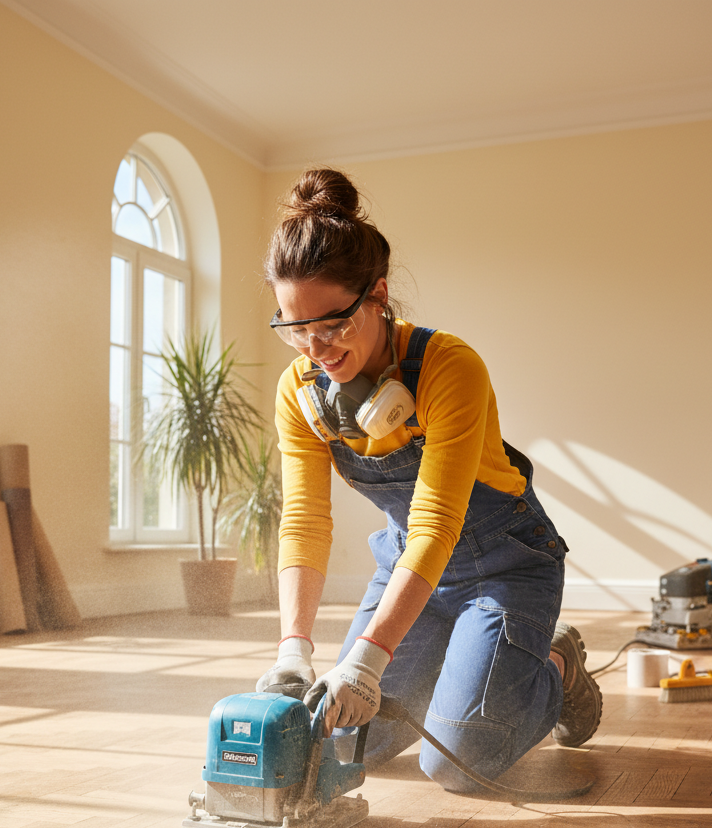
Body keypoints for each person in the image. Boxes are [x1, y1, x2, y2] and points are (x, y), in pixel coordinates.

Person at [256, 168, 601, 792]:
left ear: (378, 295)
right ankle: (463, 660)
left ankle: (558, 664)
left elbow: (438, 521)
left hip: (505, 567)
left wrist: (369, 656)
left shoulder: (449, 367)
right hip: (409, 573)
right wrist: (292, 651)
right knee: (342, 737)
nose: (315, 347)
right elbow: (305, 520)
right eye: (294, 327)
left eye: (331, 323)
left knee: (458, 760)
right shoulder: (300, 393)